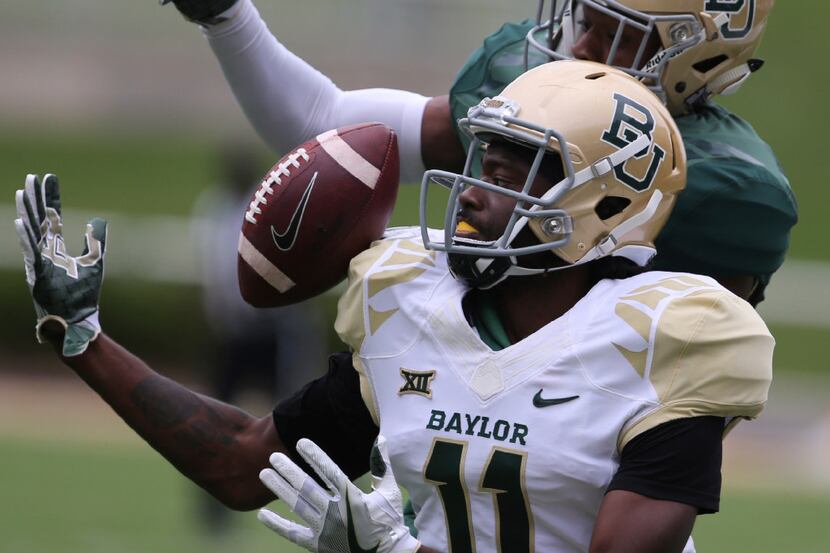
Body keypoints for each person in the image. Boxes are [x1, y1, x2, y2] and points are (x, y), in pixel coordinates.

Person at [15, 61, 774, 552]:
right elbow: (245, 462)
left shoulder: (662, 339)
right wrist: (84, 338)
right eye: (483, 162)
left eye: (511, 173)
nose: (473, 191)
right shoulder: (415, 304)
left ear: (601, 202)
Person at [162, 0, 797, 306]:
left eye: (615, 36)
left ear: (695, 58)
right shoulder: (532, 93)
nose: (578, 49)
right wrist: (226, 14)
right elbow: (321, 122)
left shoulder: (727, 189)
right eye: (586, 22)